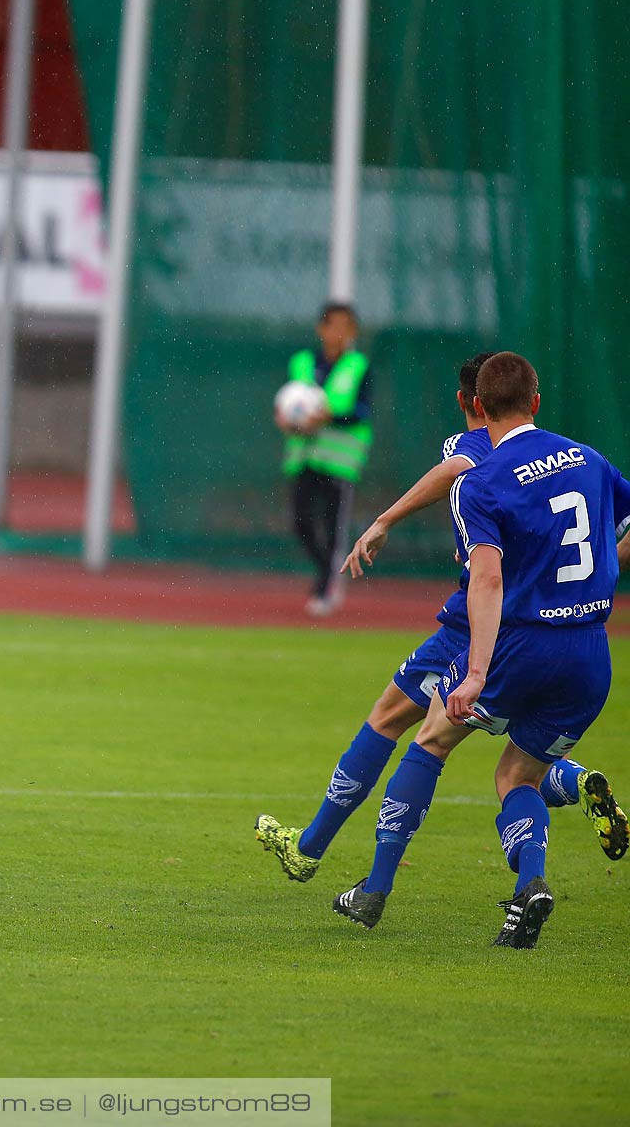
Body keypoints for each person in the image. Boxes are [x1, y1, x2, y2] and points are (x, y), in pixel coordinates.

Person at [256, 353, 625, 883]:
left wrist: (385, 519)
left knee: (397, 723)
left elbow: (456, 468)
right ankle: (573, 782)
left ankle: (319, 852)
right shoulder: (567, 454)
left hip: (478, 627)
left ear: (469, 402)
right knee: (518, 751)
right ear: (531, 401)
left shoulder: (475, 447)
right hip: (560, 634)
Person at [278, 303, 373, 616]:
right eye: (333, 326)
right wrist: (285, 418)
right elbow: (289, 403)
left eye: (346, 327)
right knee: (301, 522)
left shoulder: (359, 366)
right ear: (321, 329)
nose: (339, 333)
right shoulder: (303, 362)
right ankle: (324, 573)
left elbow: (363, 411)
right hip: (304, 456)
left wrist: (332, 416)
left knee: (334, 527)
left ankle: (325, 588)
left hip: (339, 461)